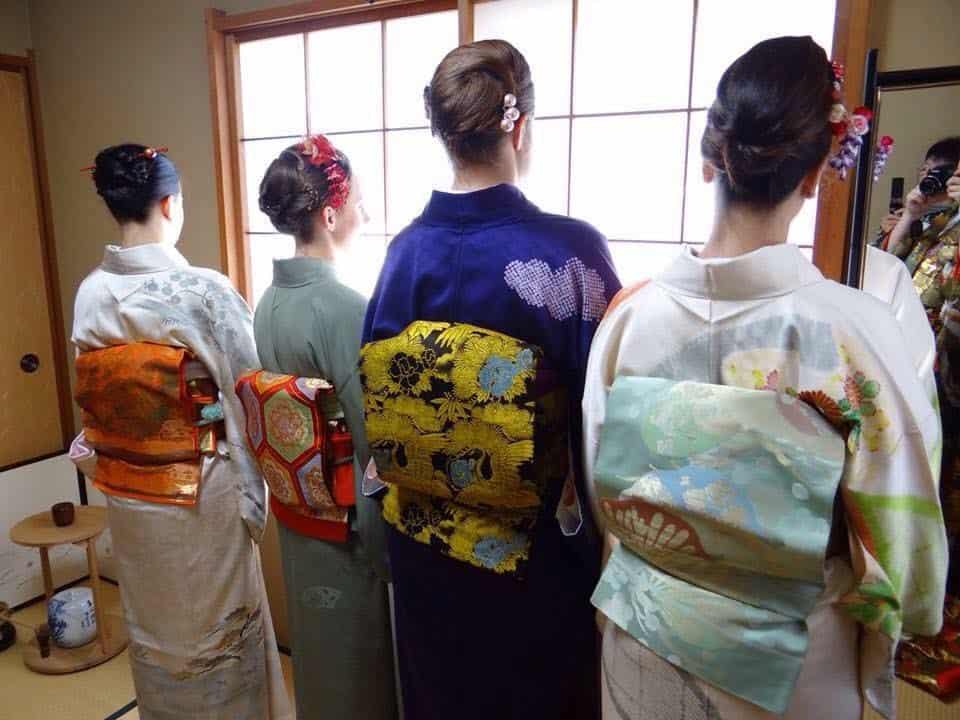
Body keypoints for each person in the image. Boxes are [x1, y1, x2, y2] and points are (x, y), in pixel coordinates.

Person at [583, 37, 947, 720]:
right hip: (789, 666)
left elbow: (611, 502)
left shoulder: (625, 323)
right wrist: (911, 608)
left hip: (643, 641)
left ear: (708, 159)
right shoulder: (854, 334)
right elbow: (905, 531)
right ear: (815, 173)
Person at [361, 40, 620, 720]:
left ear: (444, 134)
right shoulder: (570, 253)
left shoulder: (402, 256)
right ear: (519, 127)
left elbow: (380, 407)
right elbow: (608, 419)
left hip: (425, 548)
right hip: (532, 559)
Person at [70, 144, 291, 720]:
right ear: (169, 204)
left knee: (159, 633)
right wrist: (254, 491)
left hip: (130, 494)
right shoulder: (202, 291)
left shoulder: (90, 293)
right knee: (214, 634)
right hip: (200, 491)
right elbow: (251, 395)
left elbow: (96, 404)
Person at [250, 134, 396, 720]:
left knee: (316, 645)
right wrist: (387, 542)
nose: (365, 212)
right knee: (360, 656)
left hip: (295, 505)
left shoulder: (268, 301)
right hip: (349, 515)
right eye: (359, 201)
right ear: (331, 214)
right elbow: (371, 439)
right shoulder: (343, 306)